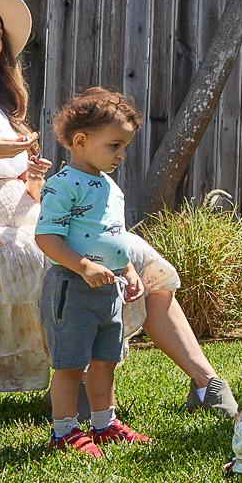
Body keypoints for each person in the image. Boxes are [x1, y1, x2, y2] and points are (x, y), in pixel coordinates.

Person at [0, 0, 238, 416]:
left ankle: (206, 383)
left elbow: (22, 192)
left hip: (33, 220)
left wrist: (31, 179)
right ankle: (86, 381)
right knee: (84, 256)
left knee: (138, 255)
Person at [36, 87, 153, 457]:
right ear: (81, 141)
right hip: (73, 288)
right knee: (71, 364)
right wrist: (83, 266)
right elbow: (47, 237)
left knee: (106, 360)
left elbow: (112, 236)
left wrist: (129, 269)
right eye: (114, 145)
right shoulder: (62, 185)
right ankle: (65, 431)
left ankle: (104, 423)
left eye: (124, 148)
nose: (121, 155)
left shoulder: (109, 186)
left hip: (109, 289)